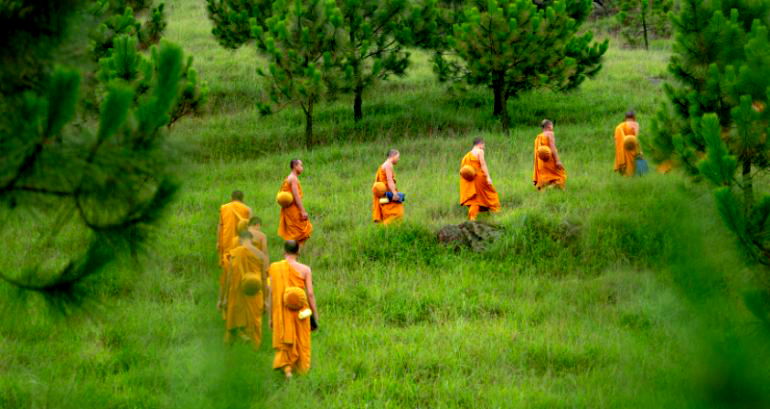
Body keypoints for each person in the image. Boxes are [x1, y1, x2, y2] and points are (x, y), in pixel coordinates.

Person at [267, 240, 318, 378]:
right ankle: (300, 370)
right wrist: (315, 314)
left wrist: (271, 317)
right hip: (301, 311)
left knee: (285, 341)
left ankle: (288, 369)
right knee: (301, 341)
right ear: (298, 252)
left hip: (282, 311)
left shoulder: (274, 268)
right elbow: (311, 294)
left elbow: (271, 294)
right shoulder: (305, 269)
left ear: (284, 251)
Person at [218, 230, 268, 348]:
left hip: (237, 291)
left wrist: (224, 298)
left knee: (234, 317)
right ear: (252, 240)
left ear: (240, 240)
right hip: (255, 291)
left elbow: (229, 277)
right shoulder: (261, 255)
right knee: (255, 321)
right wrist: (266, 300)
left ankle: (233, 342)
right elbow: (265, 278)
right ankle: (255, 347)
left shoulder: (235, 253)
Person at [217, 191, 252, 292]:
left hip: (226, 240)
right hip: (240, 242)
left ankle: (226, 290)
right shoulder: (247, 209)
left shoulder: (224, 208)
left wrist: (218, 242)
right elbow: (249, 227)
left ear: (231, 198)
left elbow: (220, 226)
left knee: (226, 267)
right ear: (242, 199)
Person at [460, 138, 501, 220]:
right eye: (484, 145)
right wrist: (488, 177)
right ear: (480, 144)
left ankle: (472, 218)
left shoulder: (466, 155)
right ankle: (497, 212)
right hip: (479, 178)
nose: (484, 147)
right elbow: (483, 165)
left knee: (475, 199)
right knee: (491, 194)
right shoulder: (480, 151)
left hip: (470, 179)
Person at [277, 159, 313, 245]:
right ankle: (293, 254)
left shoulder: (290, 177)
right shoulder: (293, 179)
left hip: (289, 210)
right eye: (301, 165)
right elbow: (296, 196)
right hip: (293, 210)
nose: (302, 168)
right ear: (295, 166)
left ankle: (293, 253)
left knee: (295, 233)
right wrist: (303, 211)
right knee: (300, 232)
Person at [372, 149, 404, 224]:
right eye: (398, 157)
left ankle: (384, 229)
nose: (398, 159)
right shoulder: (388, 165)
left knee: (389, 213)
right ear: (393, 156)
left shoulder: (384, 165)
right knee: (397, 213)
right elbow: (390, 180)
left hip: (384, 195)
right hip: (387, 194)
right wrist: (394, 193)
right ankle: (386, 228)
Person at [533, 119, 567, 190]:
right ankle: (551, 188)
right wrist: (557, 161)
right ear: (549, 126)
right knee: (561, 175)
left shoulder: (538, 137)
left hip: (541, 162)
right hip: (549, 160)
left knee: (547, 176)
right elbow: (553, 147)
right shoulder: (550, 133)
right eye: (552, 125)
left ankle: (544, 188)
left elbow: (537, 152)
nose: (552, 127)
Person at [614, 111, 641, 177]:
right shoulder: (635, 124)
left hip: (624, 146)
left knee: (625, 162)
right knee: (632, 163)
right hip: (631, 145)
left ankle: (626, 175)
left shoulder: (620, 126)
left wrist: (623, 140)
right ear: (634, 118)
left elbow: (617, 138)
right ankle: (631, 175)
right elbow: (636, 137)